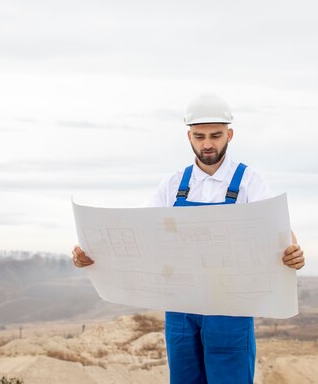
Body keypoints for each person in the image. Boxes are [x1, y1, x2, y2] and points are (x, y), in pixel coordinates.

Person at [72, 94, 305, 384]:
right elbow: (138, 231)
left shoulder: (249, 182)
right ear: (189, 137)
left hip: (230, 310)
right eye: (200, 136)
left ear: (229, 135)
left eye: (216, 135)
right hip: (180, 309)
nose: (208, 144)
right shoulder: (173, 185)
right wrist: (90, 254)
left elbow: (279, 229)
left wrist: (293, 249)